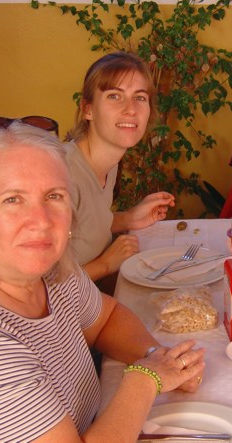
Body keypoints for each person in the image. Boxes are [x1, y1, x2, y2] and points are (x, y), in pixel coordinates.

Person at [0, 119, 205, 442]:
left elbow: (106, 319)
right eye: (12, 199)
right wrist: (146, 379)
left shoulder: (49, 269)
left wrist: (158, 357)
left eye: (54, 196)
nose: (41, 221)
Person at [65, 52, 175, 290]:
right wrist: (105, 264)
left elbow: (84, 227)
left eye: (140, 97)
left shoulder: (109, 163)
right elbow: (35, 287)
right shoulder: (63, 176)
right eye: (114, 96)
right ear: (87, 109)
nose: (130, 109)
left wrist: (130, 218)